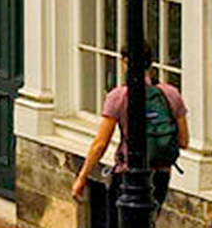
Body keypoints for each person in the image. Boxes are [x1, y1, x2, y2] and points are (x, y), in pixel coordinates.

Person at [70, 40, 188, 212]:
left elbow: (100, 144)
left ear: (125, 62)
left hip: (127, 175)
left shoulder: (118, 97)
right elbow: (184, 141)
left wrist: (82, 178)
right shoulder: (171, 94)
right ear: (151, 62)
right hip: (161, 175)